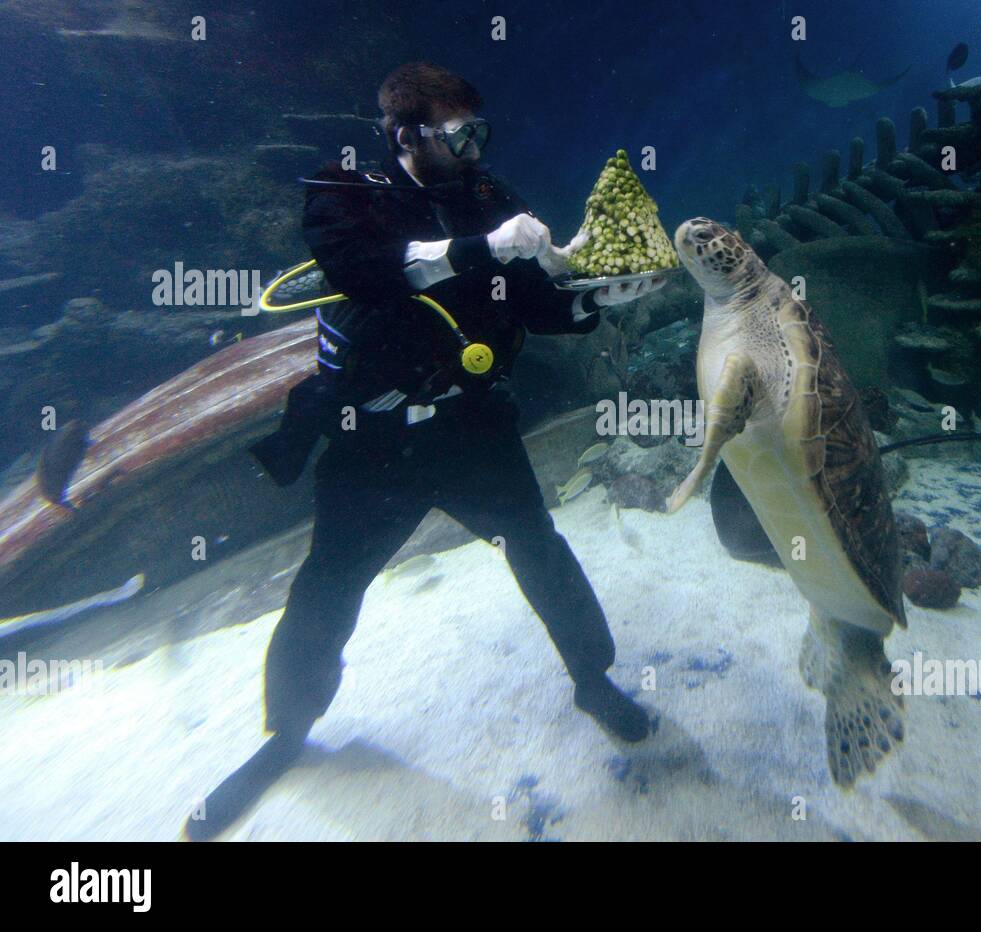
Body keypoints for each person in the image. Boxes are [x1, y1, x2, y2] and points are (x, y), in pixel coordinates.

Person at [188, 62, 663, 839]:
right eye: (457, 135)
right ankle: (288, 733)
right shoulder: (344, 194)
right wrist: (480, 248)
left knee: (539, 547)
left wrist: (595, 300)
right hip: (369, 440)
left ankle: (593, 677)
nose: (474, 148)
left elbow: (535, 306)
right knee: (329, 586)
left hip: (471, 426)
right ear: (405, 134)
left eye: (480, 131)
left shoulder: (489, 196)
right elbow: (368, 274)